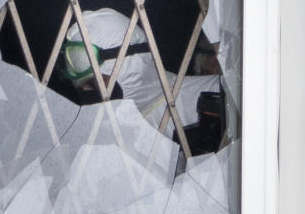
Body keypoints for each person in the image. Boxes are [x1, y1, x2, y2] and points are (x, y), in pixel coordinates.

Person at [59, 8, 220, 134]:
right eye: (84, 87)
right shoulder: (103, 147)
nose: (89, 94)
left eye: (94, 83)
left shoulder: (218, 95)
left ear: (128, 66)